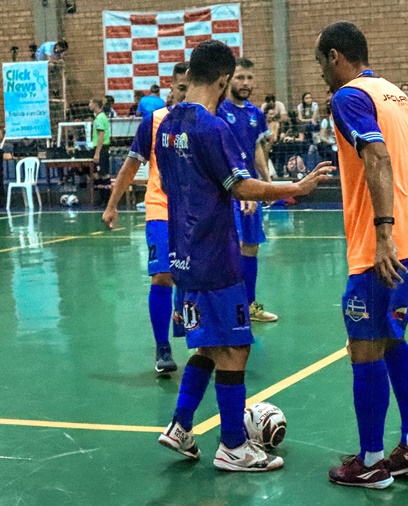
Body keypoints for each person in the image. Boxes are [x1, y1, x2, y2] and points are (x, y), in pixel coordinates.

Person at [155, 40, 332, 471]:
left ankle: (180, 426)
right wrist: (295, 187)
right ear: (222, 80)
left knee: (207, 345)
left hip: (183, 255)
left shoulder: (167, 125)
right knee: (235, 349)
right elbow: (241, 186)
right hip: (215, 256)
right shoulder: (212, 128)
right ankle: (234, 445)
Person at [315, 21, 408, 490]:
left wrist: (383, 235)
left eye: (321, 64)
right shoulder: (396, 95)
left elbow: (377, 157)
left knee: (363, 348)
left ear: (335, 56)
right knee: (393, 339)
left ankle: (372, 462)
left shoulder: (349, 97)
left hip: (387, 245)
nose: (321, 75)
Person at [102, 62, 190, 373]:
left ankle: (199, 339)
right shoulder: (154, 122)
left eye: (191, 88)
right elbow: (129, 167)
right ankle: (162, 346)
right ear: (172, 87)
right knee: (162, 275)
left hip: (196, 213)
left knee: (194, 278)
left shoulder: (206, 122)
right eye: (181, 88)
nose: (186, 94)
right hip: (160, 209)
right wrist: (112, 204)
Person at [217, 58, 277, 323]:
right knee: (233, 247)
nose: (245, 83)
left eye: (249, 78)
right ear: (229, 79)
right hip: (228, 190)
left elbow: (256, 149)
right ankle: (230, 307)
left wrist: (268, 184)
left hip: (251, 190)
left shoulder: (255, 113)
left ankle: (249, 305)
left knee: (251, 246)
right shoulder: (219, 111)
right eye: (240, 77)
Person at [89, 98, 111, 179]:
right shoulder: (102, 116)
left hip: (101, 148)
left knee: (102, 173)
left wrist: (97, 153)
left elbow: (101, 136)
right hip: (103, 147)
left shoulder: (99, 118)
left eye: (90, 103)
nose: (89, 105)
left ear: (95, 104)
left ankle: (104, 185)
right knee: (98, 172)